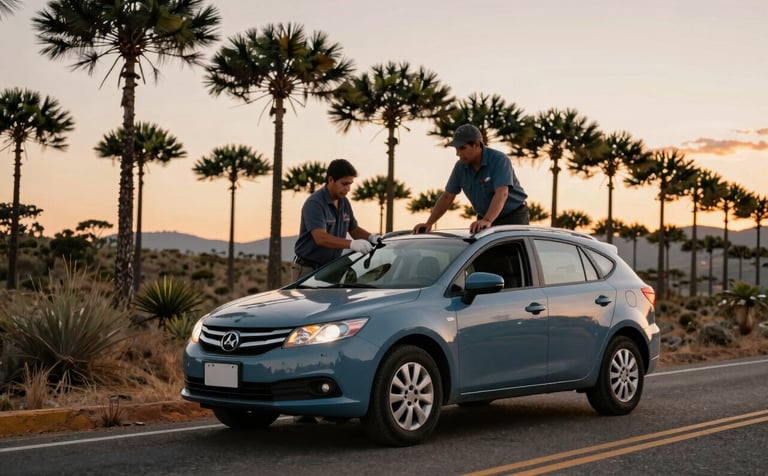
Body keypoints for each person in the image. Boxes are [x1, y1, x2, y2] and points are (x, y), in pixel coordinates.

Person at [413, 123, 529, 234]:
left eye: (462, 148)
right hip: (483, 219)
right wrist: (429, 223)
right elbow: (448, 196)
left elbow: (502, 193)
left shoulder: (499, 160)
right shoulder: (460, 167)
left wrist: (487, 220)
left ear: (477, 144)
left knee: (512, 248)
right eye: (456, 149)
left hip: (513, 217)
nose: (458, 153)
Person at [292, 158, 380, 282]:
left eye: (350, 184)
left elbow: (354, 229)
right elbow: (320, 238)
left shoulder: (344, 202)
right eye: (344, 184)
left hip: (331, 268)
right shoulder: (315, 203)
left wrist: (372, 238)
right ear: (330, 180)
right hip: (308, 270)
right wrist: (352, 244)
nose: (348, 188)